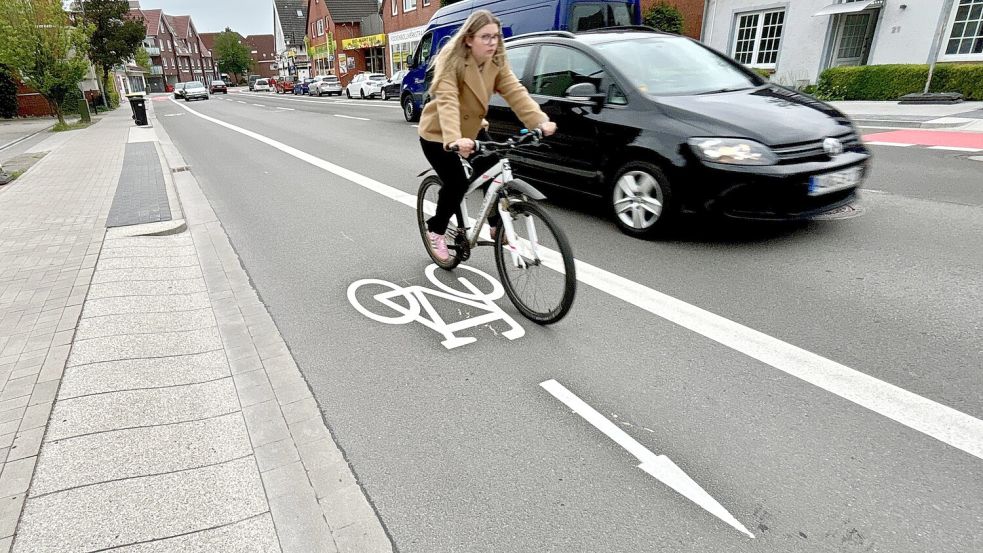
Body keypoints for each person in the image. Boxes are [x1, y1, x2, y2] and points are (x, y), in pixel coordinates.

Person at [419, 9, 556, 262]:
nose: (493, 42)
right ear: (469, 39)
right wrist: (454, 140)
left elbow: (516, 93)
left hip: (472, 130)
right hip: (439, 135)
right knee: (457, 182)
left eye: (495, 36)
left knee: (495, 169)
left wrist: (540, 121)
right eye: (485, 37)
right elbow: (448, 102)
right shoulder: (452, 62)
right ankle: (436, 229)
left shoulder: (496, 64)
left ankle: (495, 224)